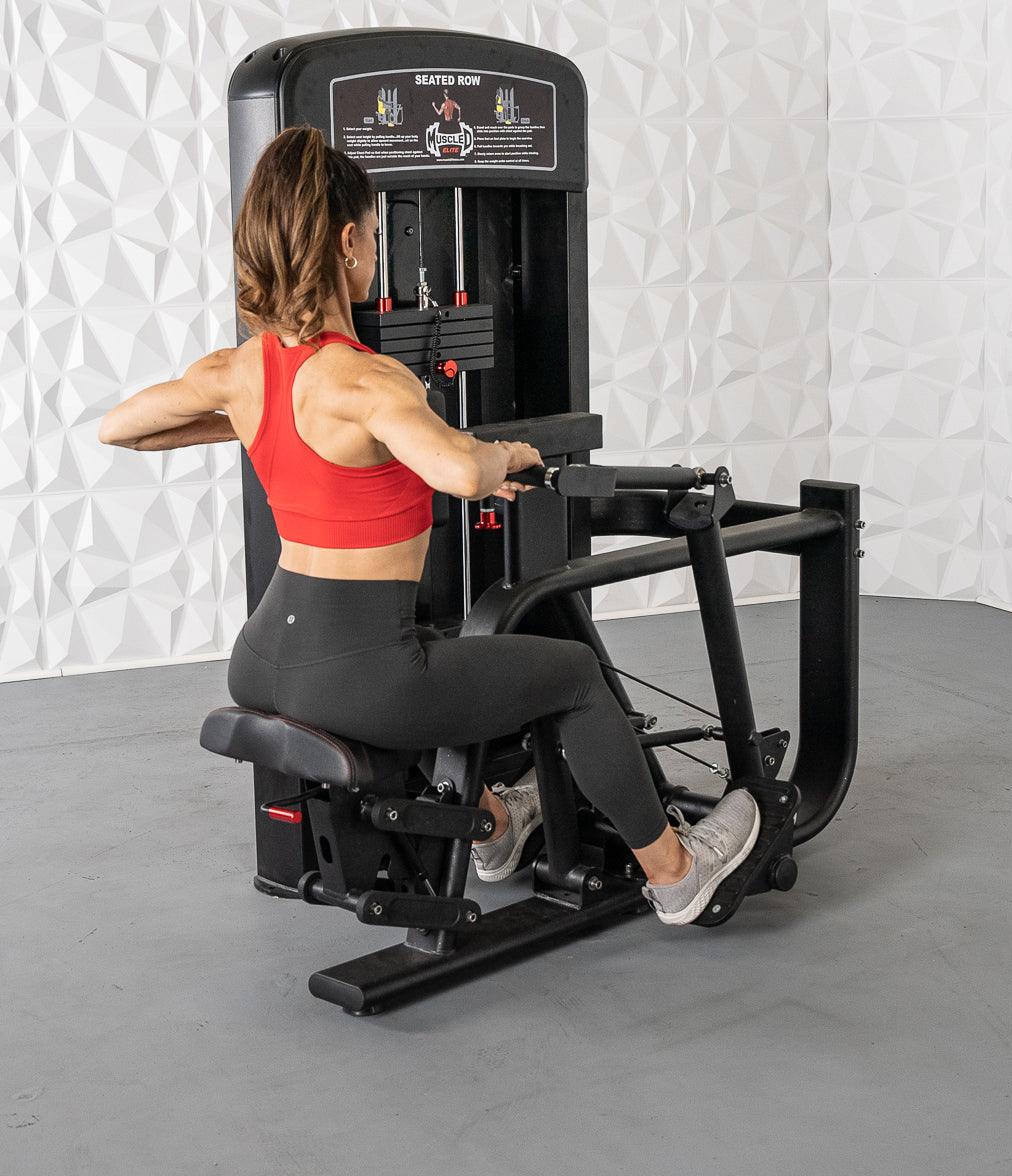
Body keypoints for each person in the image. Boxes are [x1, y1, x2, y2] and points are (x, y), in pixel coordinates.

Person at [98, 125, 760, 926]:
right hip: (358, 673)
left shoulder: (241, 370)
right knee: (575, 678)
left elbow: (120, 429)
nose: (376, 251)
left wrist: (248, 419)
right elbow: (461, 473)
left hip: (261, 660)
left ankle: (496, 827)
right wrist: (506, 454)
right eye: (376, 236)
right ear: (348, 242)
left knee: (435, 665)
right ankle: (678, 873)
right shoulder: (370, 381)